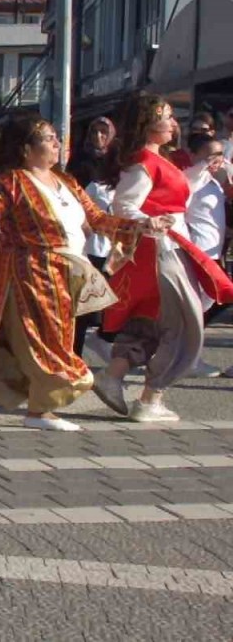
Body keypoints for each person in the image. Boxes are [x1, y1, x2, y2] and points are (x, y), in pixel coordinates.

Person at [0, 115, 165, 430]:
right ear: (26, 149)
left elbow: (97, 218)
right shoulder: (12, 182)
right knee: (46, 344)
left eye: (56, 138)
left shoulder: (67, 182)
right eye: (49, 139)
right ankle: (40, 411)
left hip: (65, 275)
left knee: (35, 341)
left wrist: (141, 225)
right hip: (31, 275)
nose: (57, 144)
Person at [93, 93, 233, 421]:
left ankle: (113, 376)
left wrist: (202, 170)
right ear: (147, 124)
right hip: (161, 248)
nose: (172, 123)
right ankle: (150, 397)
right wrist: (147, 221)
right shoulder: (143, 162)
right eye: (165, 116)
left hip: (163, 247)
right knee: (184, 324)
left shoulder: (154, 159)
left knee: (150, 321)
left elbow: (170, 192)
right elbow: (124, 205)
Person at [66, 117, 119, 359]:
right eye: (95, 132)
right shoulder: (80, 162)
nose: (99, 137)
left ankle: (107, 339)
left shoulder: (118, 163)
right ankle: (73, 353)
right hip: (89, 241)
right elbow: (69, 196)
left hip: (116, 240)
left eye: (103, 132)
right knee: (83, 303)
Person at [182, 133, 231, 376]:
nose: (216, 160)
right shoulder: (192, 181)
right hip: (197, 249)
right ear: (194, 155)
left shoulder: (214, 181)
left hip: (213, 251)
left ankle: (187, 356)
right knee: (201, 305)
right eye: (210, 154)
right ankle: (189, 359)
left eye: (220, 154)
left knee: (205, 304)